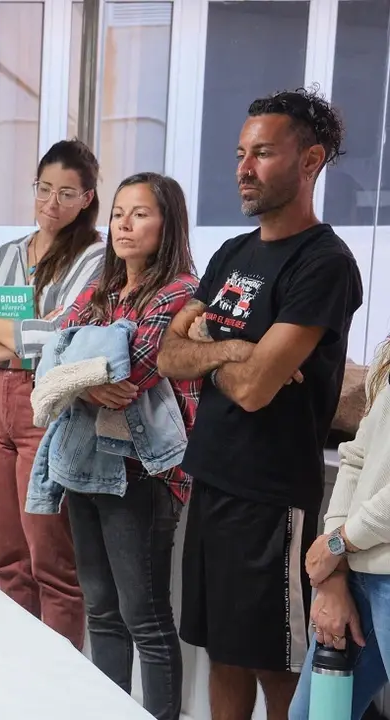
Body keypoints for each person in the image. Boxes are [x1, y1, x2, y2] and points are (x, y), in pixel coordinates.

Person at [156, 88, 362, 720]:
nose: (243, 168)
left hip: (273, 497)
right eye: (240, 153)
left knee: (277, 663)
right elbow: (168, 356)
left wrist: (213, 346)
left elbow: (254, 390)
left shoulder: (324, 263)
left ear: (310, 160)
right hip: (213, 480)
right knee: (224, 653)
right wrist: (235, 349)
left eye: (263, 153)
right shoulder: (232, 253)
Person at [55, 172, 199, 720]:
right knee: (102, 610)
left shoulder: (182, 292)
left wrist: (76, 371)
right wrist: (84, 377)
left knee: (146, 617)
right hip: (88, 463)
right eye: (118, 213)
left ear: (168, 223)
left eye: (140, 213)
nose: (124, 224)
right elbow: (45, 351)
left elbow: (131, 371)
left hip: (144, 472)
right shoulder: (103, 289)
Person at [0, 139, 105, 648]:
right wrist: (14, 343)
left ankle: (57, 691)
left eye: (66, 193)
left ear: (86, 199)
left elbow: (57, 338)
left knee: (51, 562)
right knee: (7, 559)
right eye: (43, 189)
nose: (50, 203)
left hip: (48, 406)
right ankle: (18, 674)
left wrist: (1, 331)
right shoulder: (10, 253)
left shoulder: (95, 256)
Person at [291, 336, 390, 719]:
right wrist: (337, 566)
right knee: (310, 714)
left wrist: (340, 542)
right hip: (358, 572)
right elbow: (356, 457)